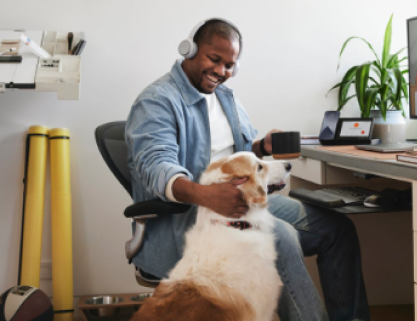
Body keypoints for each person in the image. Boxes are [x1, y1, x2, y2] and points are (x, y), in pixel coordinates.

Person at [125, 18, 370, 321]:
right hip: (189, 216)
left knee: (337, 230)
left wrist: (260, 149)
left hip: (238, 203)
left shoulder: (226, 98)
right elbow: (155, 166)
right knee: (279, 236)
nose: (222, 72)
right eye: (214, 59)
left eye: (230, 65)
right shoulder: (157, 101)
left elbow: (232, 154)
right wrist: (207, 195)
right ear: (190, 50)